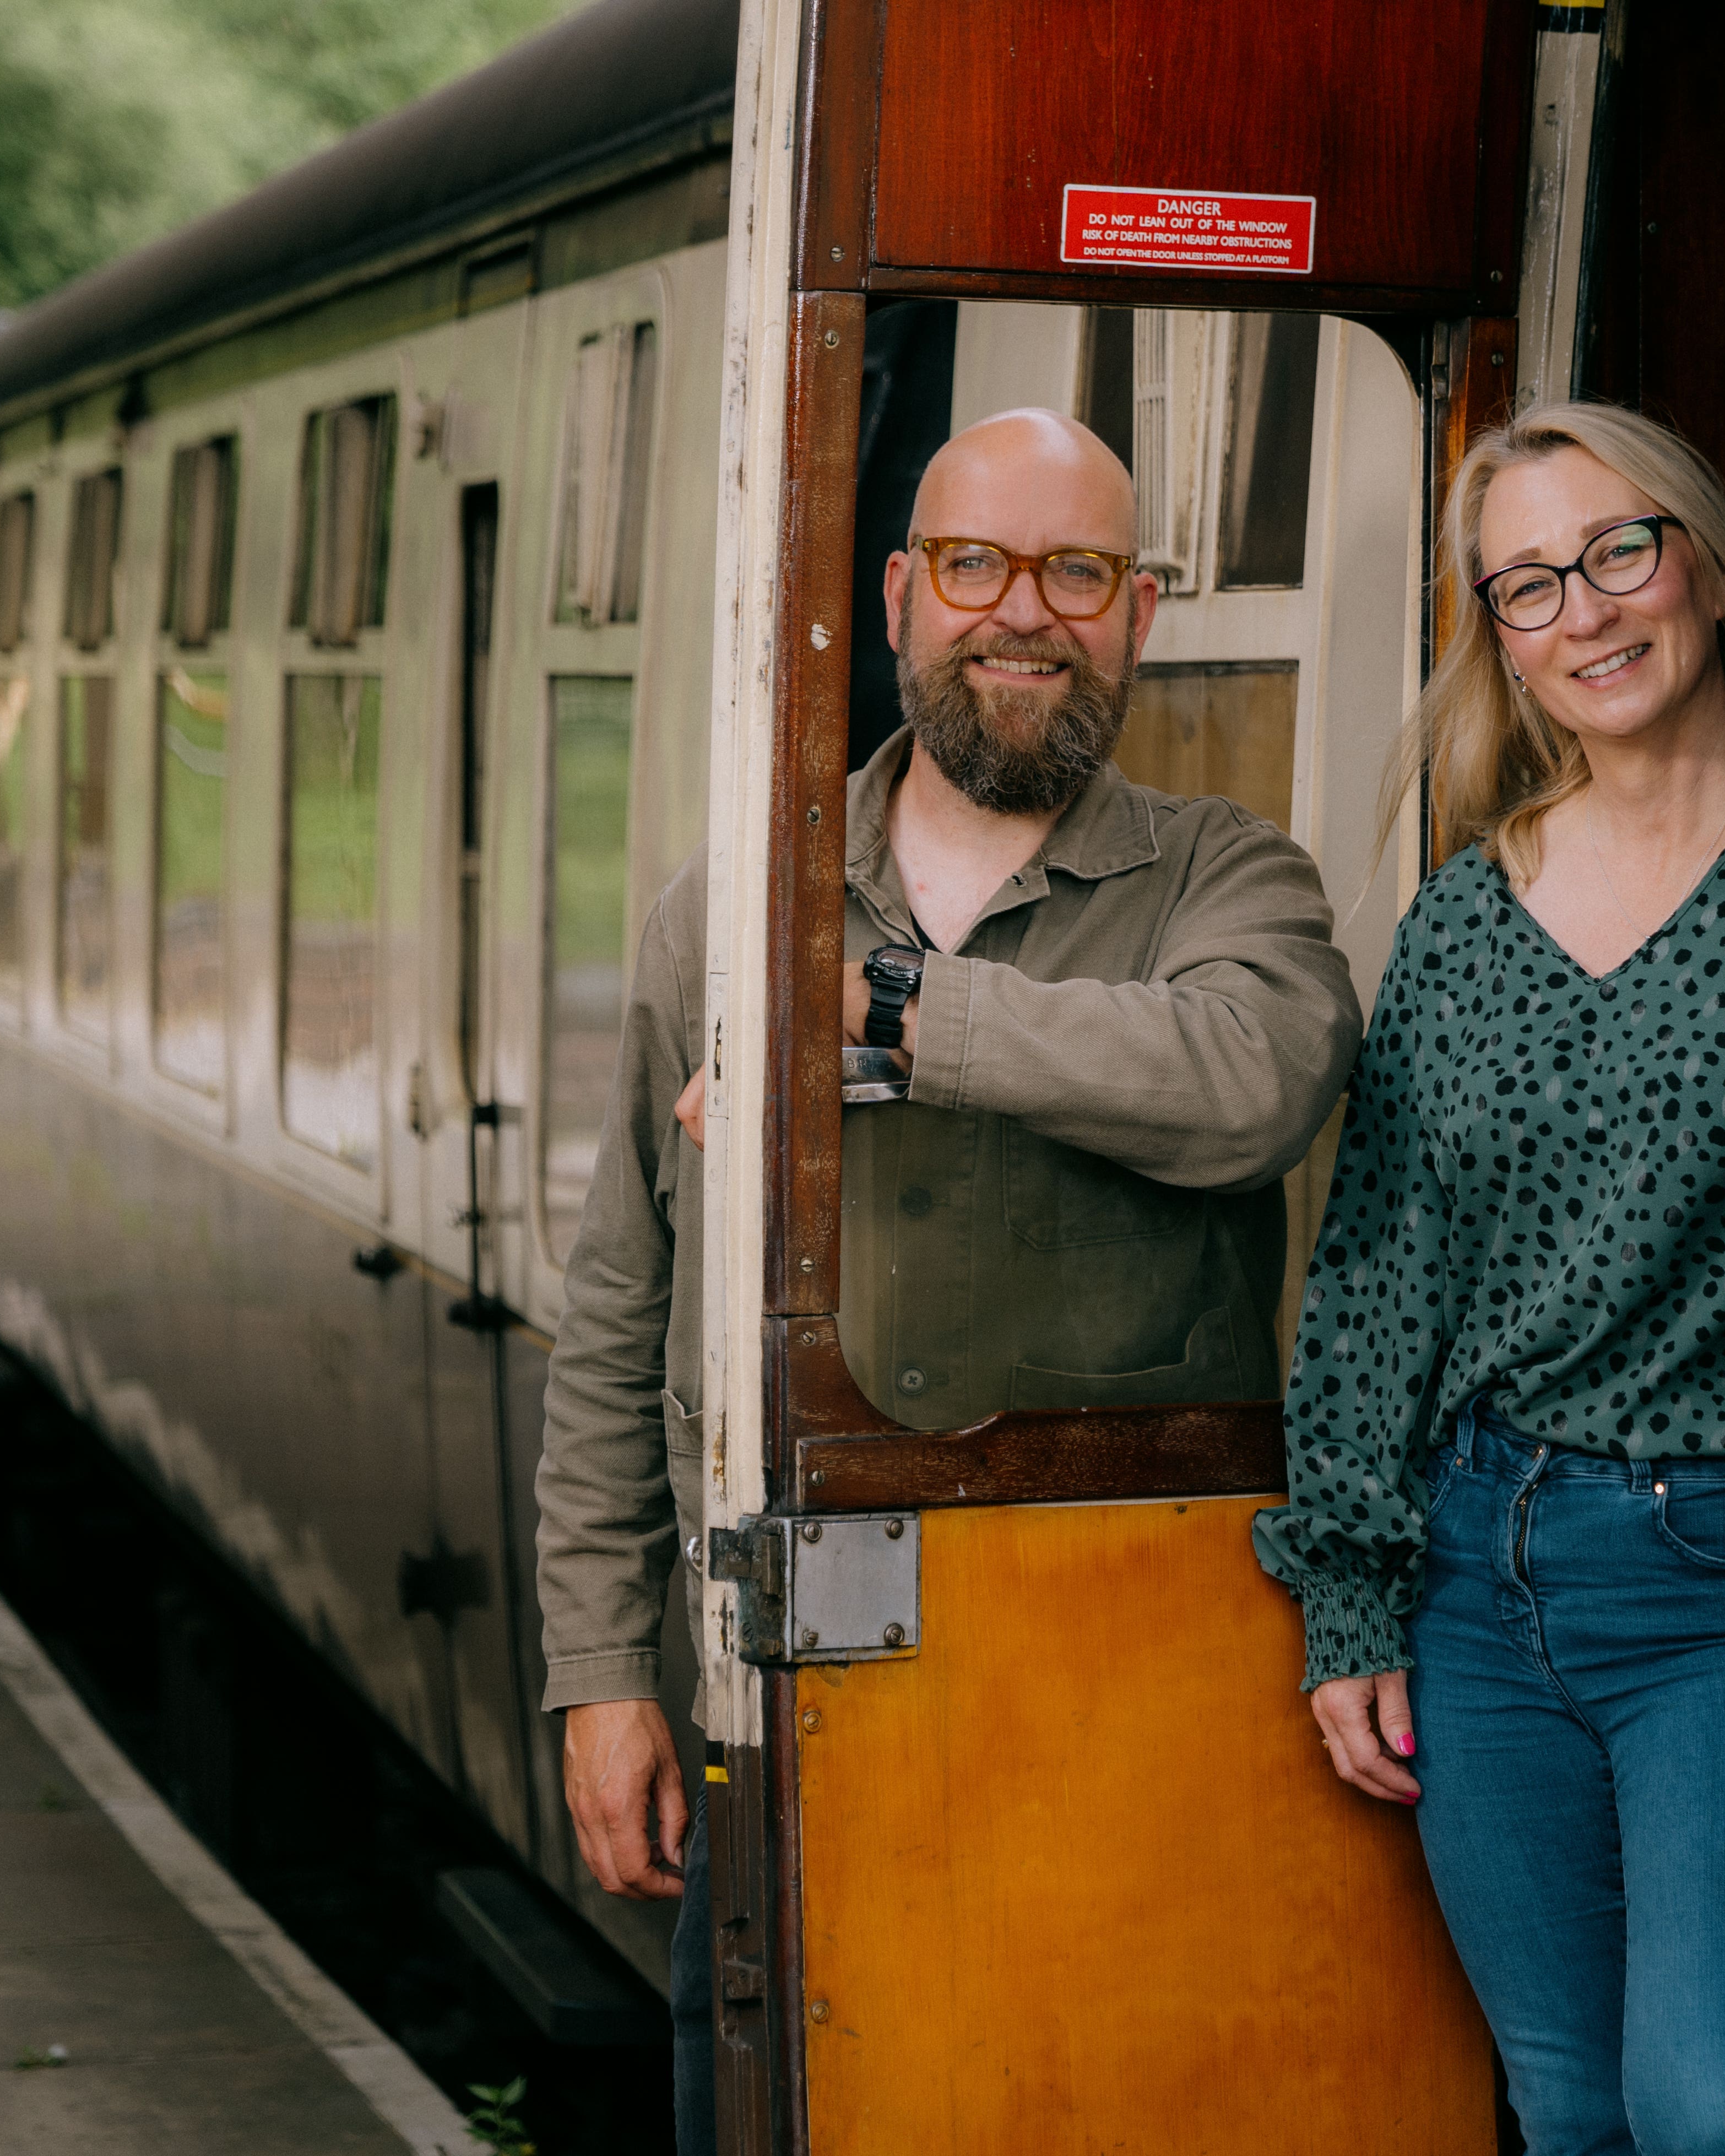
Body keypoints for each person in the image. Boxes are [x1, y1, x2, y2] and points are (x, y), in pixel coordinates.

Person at [536, 408, 1361, 2152]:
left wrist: (886, 1020)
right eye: (977, 565)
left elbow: (1248, 1083)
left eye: (1078, 571)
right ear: (902, 596)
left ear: (1139, 612)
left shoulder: (1232, 878)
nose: (1024, 613)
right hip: (794, 1695)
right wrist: (606, 1671)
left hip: (1140, 1700)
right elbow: (623, 1315)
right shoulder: (732, 915)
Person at [1252, 400, 1725, 2156]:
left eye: (1620, 549)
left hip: (1715, 1569)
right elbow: (1385, 1269)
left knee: (1706, 2109)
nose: (1591, 612)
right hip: (1479, 1572)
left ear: (1699, 561)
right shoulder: (1472, 915)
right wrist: (1351, 1601)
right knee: (1566, 2105)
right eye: (1530, 586)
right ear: (1499, 637)